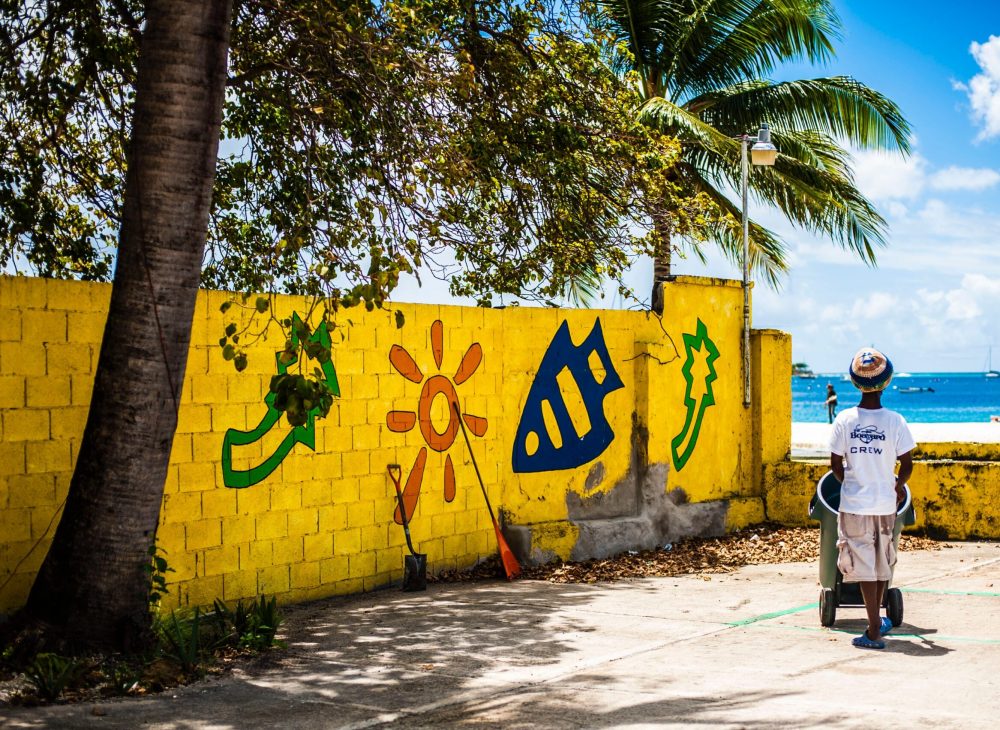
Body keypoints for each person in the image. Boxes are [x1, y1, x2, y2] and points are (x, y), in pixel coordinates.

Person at [829, 347, 915, 649]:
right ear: (887, 381)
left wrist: (851, 481)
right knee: (880, 562)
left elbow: (836, 464)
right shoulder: (895, 421)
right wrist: (897, 485)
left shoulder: (844, 419)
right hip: (885, 505)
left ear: (854, 383)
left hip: (855, 505)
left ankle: (874, 630)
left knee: (864, 564)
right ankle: (878, 620)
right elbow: (906, 465)